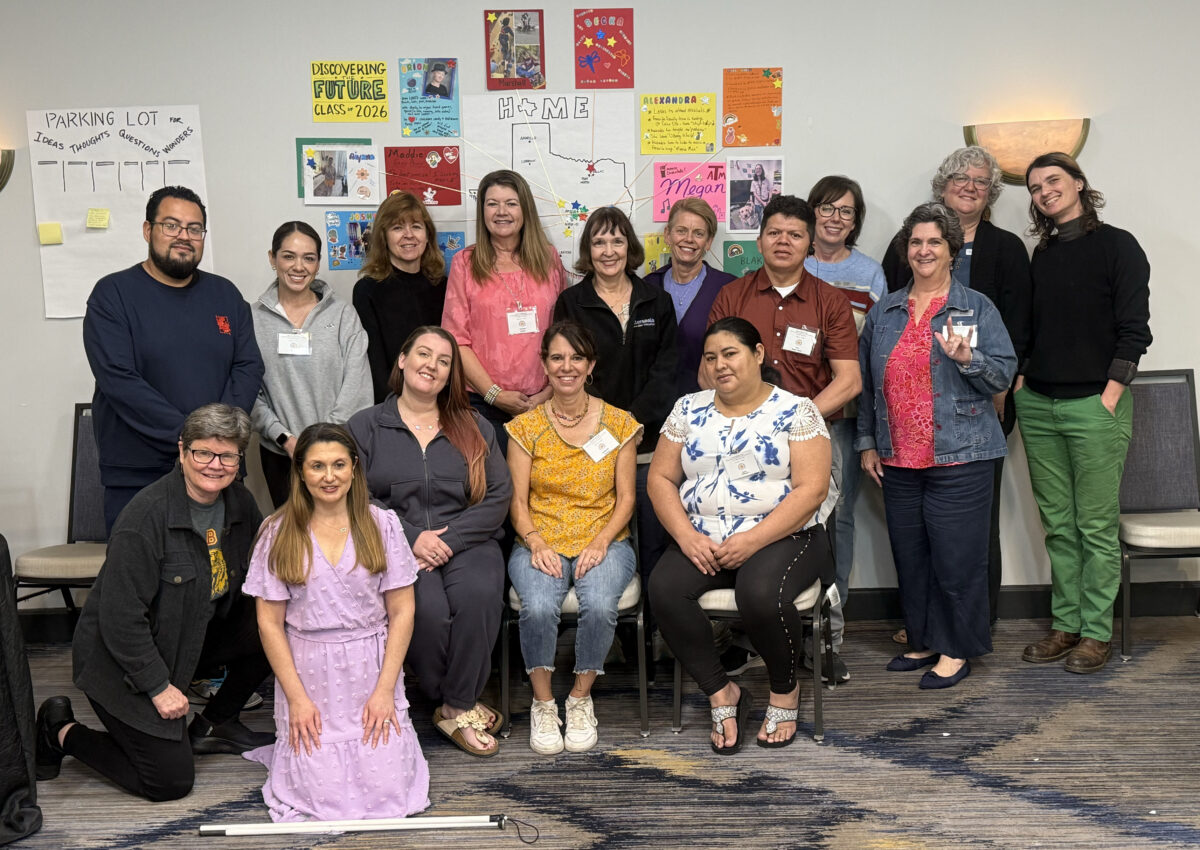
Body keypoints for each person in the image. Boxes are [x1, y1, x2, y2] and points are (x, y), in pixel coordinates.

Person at [35, 404, 273, 801]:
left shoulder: (239, 503)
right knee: (169, 781)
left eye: (227, 455)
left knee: (274, 621)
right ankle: (60, 731)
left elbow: (263, 567)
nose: (215, 465)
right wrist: (158, 686)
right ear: (182, 451)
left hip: (189, 637)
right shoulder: (145, 517)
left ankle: (215, 723)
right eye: (203, 452)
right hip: (122, 660)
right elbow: (120, 619)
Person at [648, 318, 835, 752]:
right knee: (664, 589)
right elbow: (660, 478)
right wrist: (687, 537)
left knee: (759, 593)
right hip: (705, 535)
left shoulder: (796, 409)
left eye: (730, 354)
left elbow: (813, 489)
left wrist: (752, 541)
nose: (719, 365)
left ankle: (784, 690)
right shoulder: (688, 410)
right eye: (710, 357)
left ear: (757, 354)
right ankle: (722, 692)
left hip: (786, 536)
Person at [857, 203, 1016, 690]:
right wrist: (866, 442)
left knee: (957, 558)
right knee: (912, 554)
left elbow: (1004, 372)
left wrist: (970, 359)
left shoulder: (975, 308)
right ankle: (923, 639)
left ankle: (956, 649)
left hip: (962, 454)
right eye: (915, 243)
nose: (923, 251)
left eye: (934, 243)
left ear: (951, 251)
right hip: (899, 456)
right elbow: (868, 385)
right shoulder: (885, 311)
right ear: (906, 252)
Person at [242, 423, 430, 821]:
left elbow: (403, 612)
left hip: (371, 666)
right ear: (300, 472)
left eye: (339, 465)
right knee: (320, 796)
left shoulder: (383, 524)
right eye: (317, 466)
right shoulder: (276, 533)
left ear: (354, 468)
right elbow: (269, 624)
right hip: (310, 671)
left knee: (388, 792)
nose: (329, 476)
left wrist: (384, 691)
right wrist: (296, 699)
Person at [881, 147, 1032, 636]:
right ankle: (926, 627)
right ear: (942, 184)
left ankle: (971, 624)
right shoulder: (904, 250)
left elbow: (1018, 328)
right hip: (909, 428)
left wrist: (1001, 388)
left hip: (980, 406)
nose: (970, 185)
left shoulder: (1005, 250)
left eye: (982, 181)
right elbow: (886, 327)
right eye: (961, 178)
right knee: (919, 537)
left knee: (969, 531)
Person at [706, 194, 859, 677]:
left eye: (795, 234)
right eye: (775, 233)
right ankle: (744, 636)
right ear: (760, 240)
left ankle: (823, 644)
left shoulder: (829, 300)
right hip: (739, 445)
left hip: (809, 440)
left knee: (821, 539)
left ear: (810, 243)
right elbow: (709, 370)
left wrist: (793, 417)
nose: (784, 242)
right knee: (741, 530)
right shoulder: (733, 296)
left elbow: (849, 380)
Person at [1016, 152, 1151, 674]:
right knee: (1058, 525)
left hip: (1096, 405)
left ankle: (1096, 633)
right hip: (1039, 405)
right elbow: (1033, 325)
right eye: (1034, 186)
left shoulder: (1118, 245)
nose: (1044, 191)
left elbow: (1134, 327)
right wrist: (1024, 376)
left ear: (1077, 184)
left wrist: (1112, 391)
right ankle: (1065, 625)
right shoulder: (1043, 255)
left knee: (1094, 526)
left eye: (1053, 180)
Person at [348, 327, 512, 757]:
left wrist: (451, 539)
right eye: (423, 354)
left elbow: (498, 495)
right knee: (429, 612)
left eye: (443, 361)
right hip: (394, 544)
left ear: (450, 375)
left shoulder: (475, 425)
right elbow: (354, 496)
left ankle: (456, 705)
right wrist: (410, 537)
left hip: (469, 539)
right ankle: (454, 699)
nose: (432, 366)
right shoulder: (365, 426)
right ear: (402, 360)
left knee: (479, 596)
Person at [83, 186, 264, 532]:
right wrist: (193, 438)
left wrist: (216, 440)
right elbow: (118, 378)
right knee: (142, 580)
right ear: (148, 230)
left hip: (219, 470)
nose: (184, 236)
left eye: (194, 228)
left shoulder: (225, 294)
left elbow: (248, 366)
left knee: (225, 577)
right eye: (171, 225)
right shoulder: (113, 295)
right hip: (139, 474)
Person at [505, 322, 641, 755]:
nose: (567, 367)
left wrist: (601, 541)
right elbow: (516, 500)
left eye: (576, 358)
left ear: (591, 365)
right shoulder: (524, 428)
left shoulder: (620, 423)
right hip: (538, 540)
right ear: (544, 365)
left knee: (601, 605)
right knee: (540, 605)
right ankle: (544, 703)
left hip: (605, 539)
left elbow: (627, 499)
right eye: (557, 358)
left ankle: (580, 698)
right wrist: (536, 541)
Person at [553, 206, 678, 598]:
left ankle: (658, 634)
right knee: (602, 541)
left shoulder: (656, 301)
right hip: (593, 443)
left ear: (631, 247)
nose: (609, 250)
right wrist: (605, 426)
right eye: (599, 241)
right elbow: (570, 371)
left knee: (654, 540)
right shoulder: (571, 303)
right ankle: (615, 635)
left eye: (617, 240)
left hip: (649, 443)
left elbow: (667, 371)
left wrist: (634, 422)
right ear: (588, 251)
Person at [801, 175, 888, 683]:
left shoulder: (869, 273)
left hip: (842, 417)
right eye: (827, 208)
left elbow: (873, 354)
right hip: (783, 419)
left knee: (839, 520)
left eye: (847, 212)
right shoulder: (790, 260)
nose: (835, 218)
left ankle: (831, 632)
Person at [442, 169, 568, 453]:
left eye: (511, 203)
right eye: (492, 203)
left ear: (525, 209)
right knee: (492, 489)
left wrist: (549, 392)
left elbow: (565, 332)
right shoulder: (465, 263)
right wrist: (494, 394)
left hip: (546, 401)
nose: (502, 212)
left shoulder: (549, 259)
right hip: (483, 405)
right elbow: (456, 339)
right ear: (482, 210)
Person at [252, 221, 372, 508]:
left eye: (309, 258)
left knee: (342, 540)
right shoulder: (253, 319)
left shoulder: (343, 315)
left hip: (338, 454)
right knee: (292, 544)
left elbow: (357, 385)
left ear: (318, 263)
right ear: (272, 258)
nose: (298, 266)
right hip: (281, 453)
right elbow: (249, 392)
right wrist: (285, 438)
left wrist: (324, 443)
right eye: (288, 256)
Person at [353, 191, 447, 404]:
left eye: (416, 226)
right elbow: (374, 363)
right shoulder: (367, 290)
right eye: (397, 227)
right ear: (384, 237)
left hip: (441, 401)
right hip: (392, 404)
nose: (409, 235)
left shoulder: (443, 285)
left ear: (427, 234)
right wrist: (395, 410)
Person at [644, 197, 737, 399]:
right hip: (652, 409)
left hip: (708, 408)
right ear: (668, 235)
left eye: (698, 233)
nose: (689, 239)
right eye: (681, 230)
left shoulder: (728, 288)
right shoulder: (647, 287)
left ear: (709, 242)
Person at [749, 163, 773, 229]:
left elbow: (770, 190)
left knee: (766, 217)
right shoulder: (753, 182)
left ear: (762, 170)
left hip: (766, 202)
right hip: (758, 204)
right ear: (755, 171)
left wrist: (769, 200)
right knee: (759, 218)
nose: (758, 170)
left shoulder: (766, 180)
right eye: (756, 168)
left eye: (759, 168)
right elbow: (755, 194)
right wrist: (762, 203)